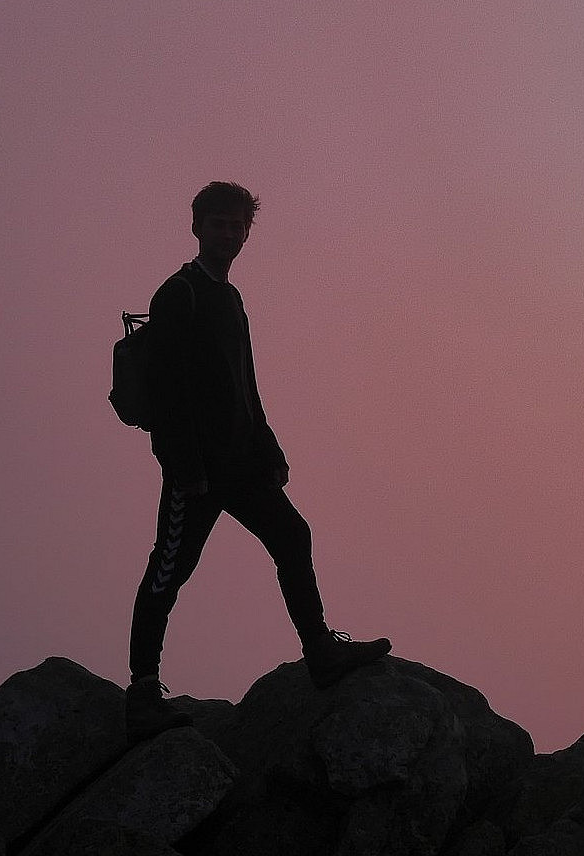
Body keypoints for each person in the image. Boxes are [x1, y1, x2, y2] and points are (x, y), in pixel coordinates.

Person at [125, 181, 389, 740]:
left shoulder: (230, 298)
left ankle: (319, 649)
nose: (228, 233)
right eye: (218, 223)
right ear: (197, 227)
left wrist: (267, 445)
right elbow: (170, 391)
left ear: (247, 233)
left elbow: (244, 381)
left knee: (293, 536)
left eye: (237, 225)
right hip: (195, 471)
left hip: (240, 463)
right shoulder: (179, 293)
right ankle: (143, 691)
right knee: (168, 572)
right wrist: (186, 469)